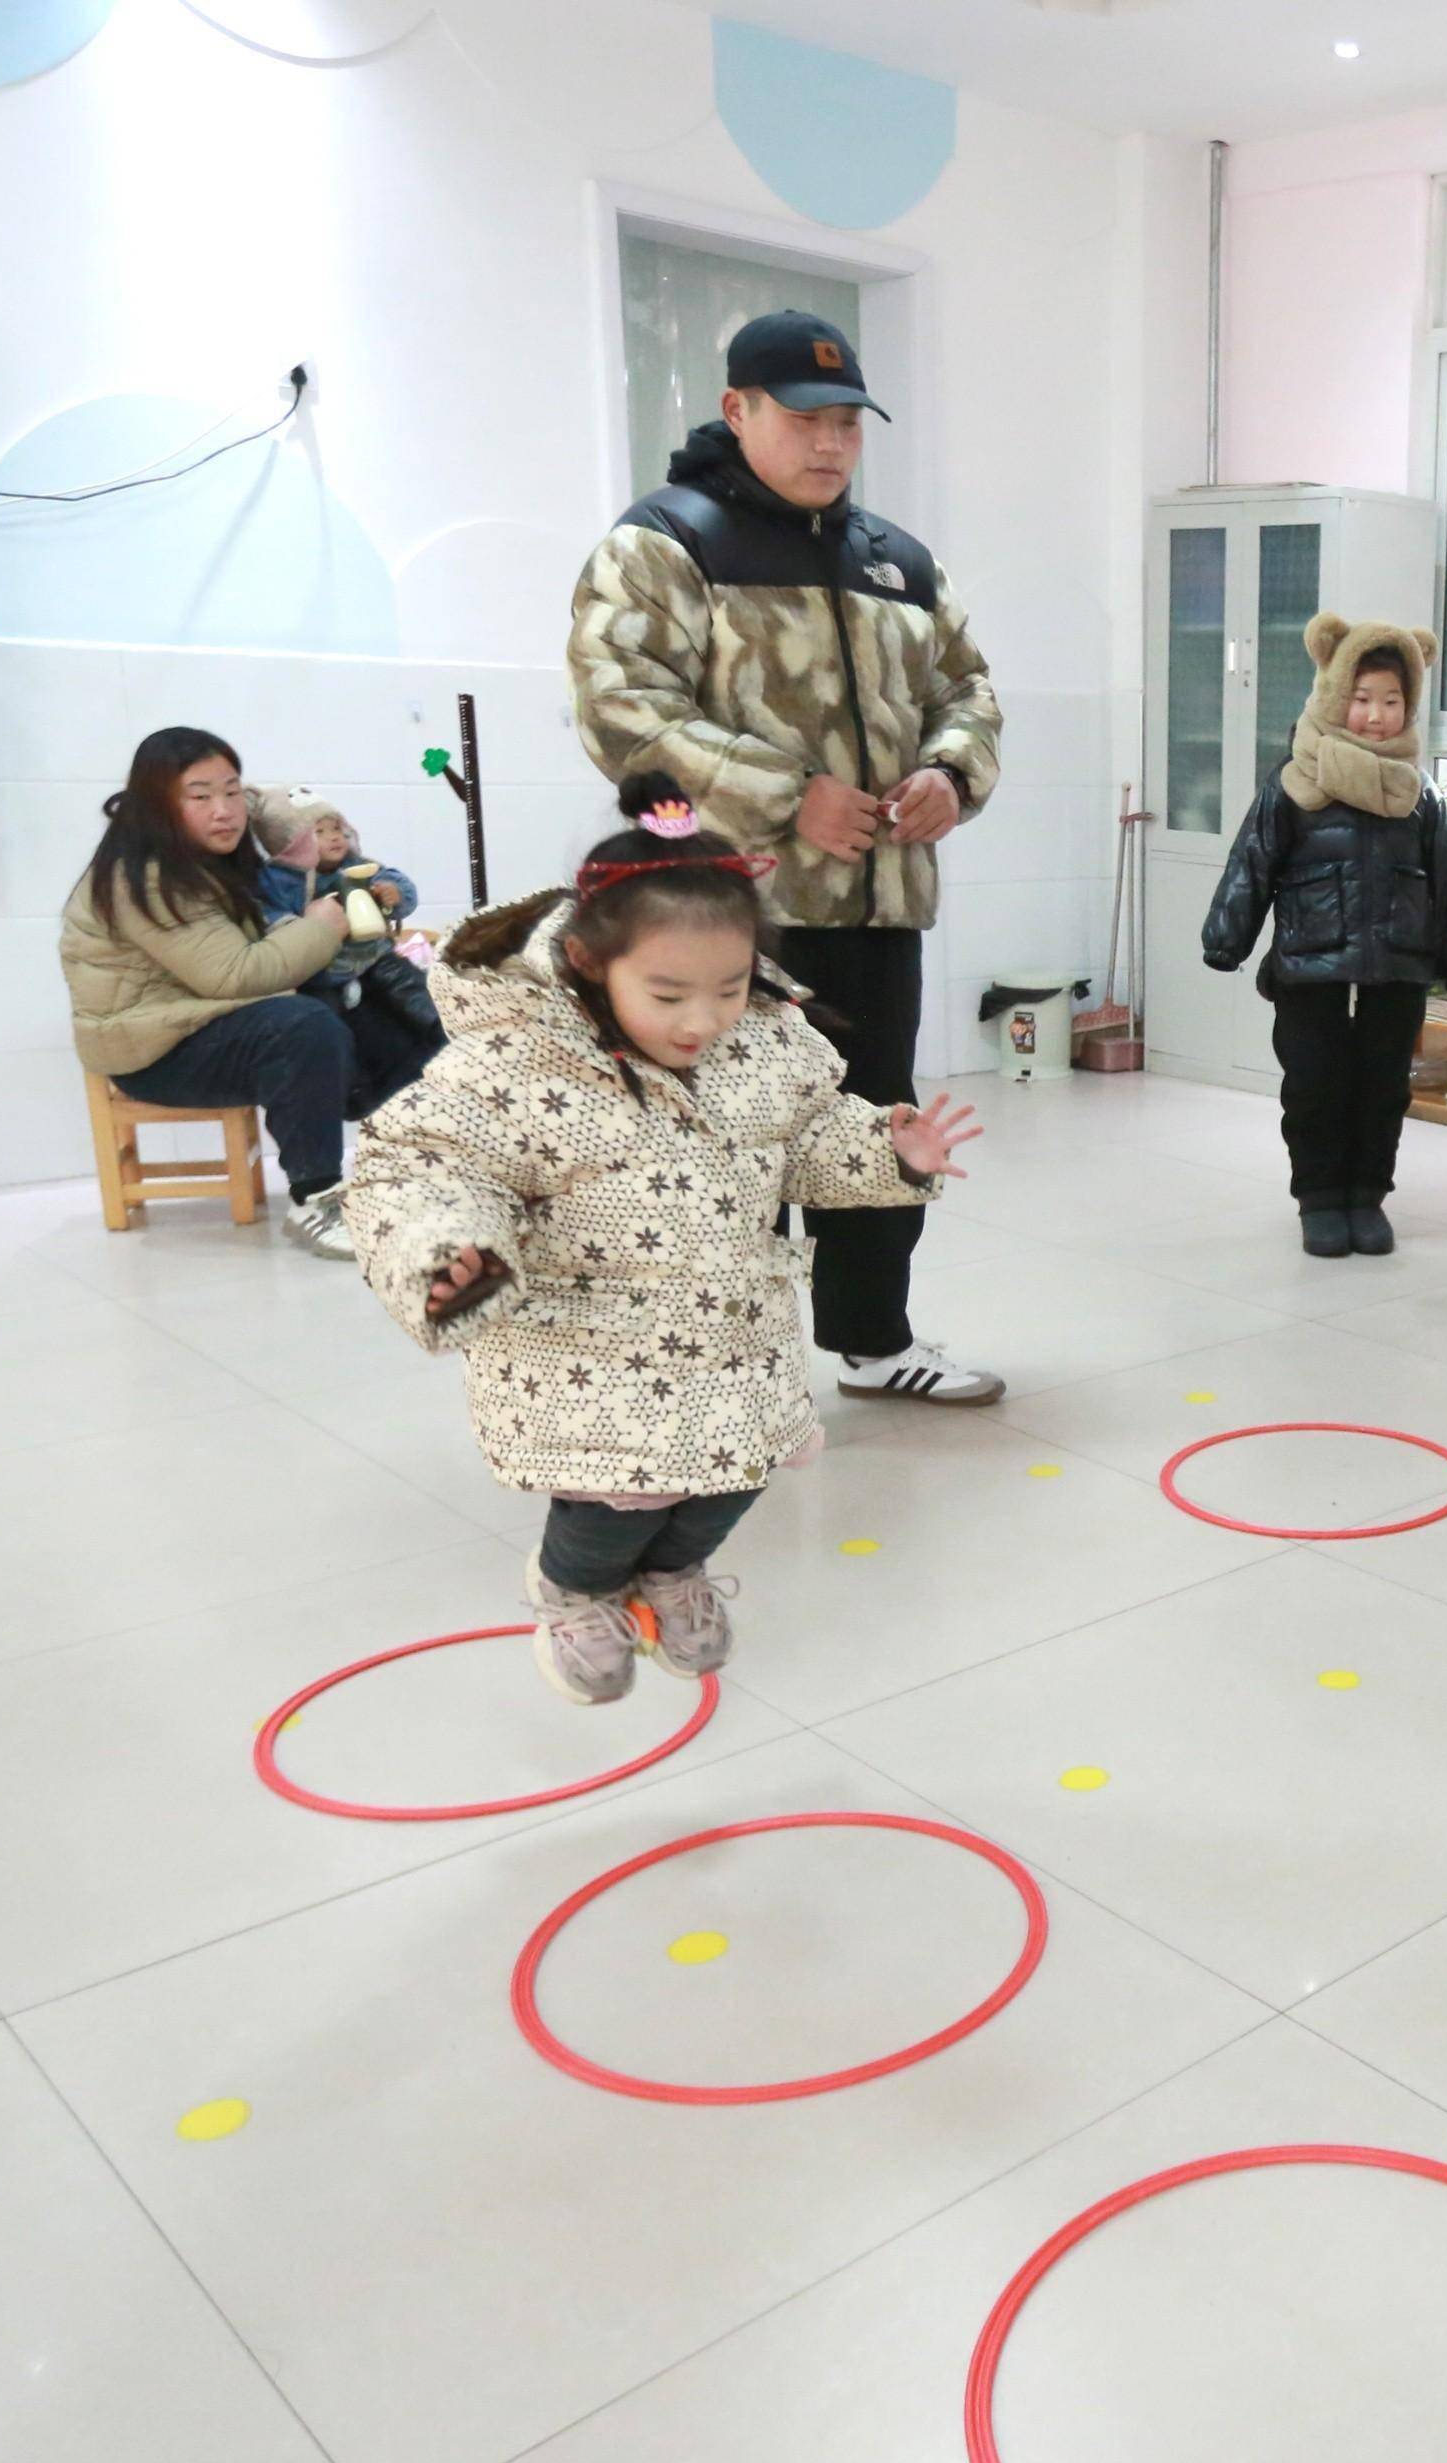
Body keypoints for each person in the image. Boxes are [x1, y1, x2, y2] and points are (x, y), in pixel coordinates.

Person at [342, 774, 980, 1706]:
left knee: (735, 1477)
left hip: (731, 1333)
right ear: (592, 962)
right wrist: (450, 1256)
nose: (701, 1019)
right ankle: (574, 1589)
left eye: (726, 987)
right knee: (617, 1500)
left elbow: (805, 1138)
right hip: (590, 1351)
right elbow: (422, 1165)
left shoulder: (759, 1043)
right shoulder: (520, 1060)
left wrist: (888, 1150)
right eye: (668, 992)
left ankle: (673, 1574)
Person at [568, 308, 1008, 1406]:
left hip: (879, 914)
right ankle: (718, 1361)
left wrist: (950, 776)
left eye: (849, 424)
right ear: (737, 409)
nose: (830, 444)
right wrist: (782, 799)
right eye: (805, 419)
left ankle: (873, 1339)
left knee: (873, 1130)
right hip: (725, 930)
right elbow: (620, 709)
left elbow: (969, 690)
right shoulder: (665, 542)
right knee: (724, 1146)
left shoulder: (896, 562)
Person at [59, 725, 416, 1258]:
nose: (223, 810)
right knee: (304, 1027)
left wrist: (267, 808)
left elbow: (274, 822)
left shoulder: (203, 850)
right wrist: (325, 925)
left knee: (405, 1008)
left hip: (204, 1018)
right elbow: (235, 975)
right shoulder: (146, 876)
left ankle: (423, 1173)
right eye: (199, 797)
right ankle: (316, 1198)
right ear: (157, 803)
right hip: (154, 1048)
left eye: (232, 791)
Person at [1199, 616, 1447, 1256]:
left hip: (1398, 966)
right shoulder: (1294, 784)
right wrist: (1227, 937)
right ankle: (1321, 1200)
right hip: (1309, 965)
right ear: (1332, 695)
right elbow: (1252, 861)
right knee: (1314, 1086)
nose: (1377, 716)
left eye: (1391, 701)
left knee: (1383, 1088)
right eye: (1360, 699)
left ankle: (1367, 1198)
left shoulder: (1420, 794)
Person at [250, 786, 446, 1069]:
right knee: (325, 1023)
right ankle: (347, 1080)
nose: (334, 837)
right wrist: (299, 926)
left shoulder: (362, 868)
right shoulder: (278, 879)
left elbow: (399, 885)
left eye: (337, 828)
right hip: (319, 973)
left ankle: (447, 1036)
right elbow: (267, 916)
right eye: (318, 832)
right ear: (288, 842)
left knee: (410, 986)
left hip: (372, 957)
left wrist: (395, 894)